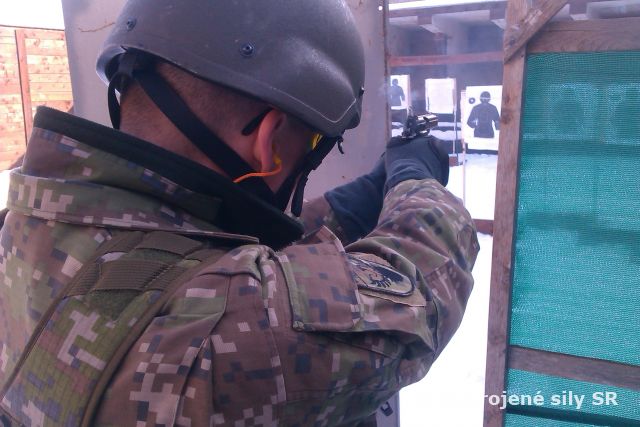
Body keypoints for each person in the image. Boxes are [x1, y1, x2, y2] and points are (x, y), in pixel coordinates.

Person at [0, 1, 479, 426]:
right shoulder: (220, 329)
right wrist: (415, 178)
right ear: (267, 138)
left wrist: (359, 199)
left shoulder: (28, 224)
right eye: (313, 145)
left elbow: (201, 251)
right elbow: (418, 296)